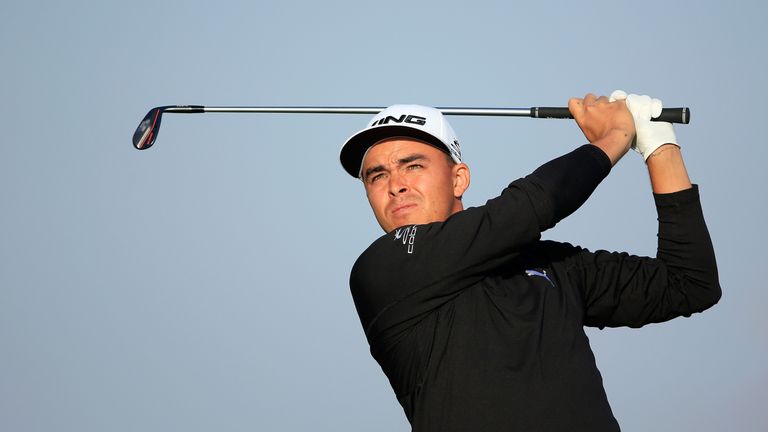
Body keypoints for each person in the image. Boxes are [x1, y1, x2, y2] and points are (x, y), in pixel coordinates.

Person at [338, 91, 721, 432]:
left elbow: (687, 283)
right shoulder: (382, 269)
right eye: (377, 176)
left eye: (413, 165)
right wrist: (615, 137)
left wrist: (660, 149)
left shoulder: (552, 265)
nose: (395, 184)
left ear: (459, 179)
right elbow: (527, 207)